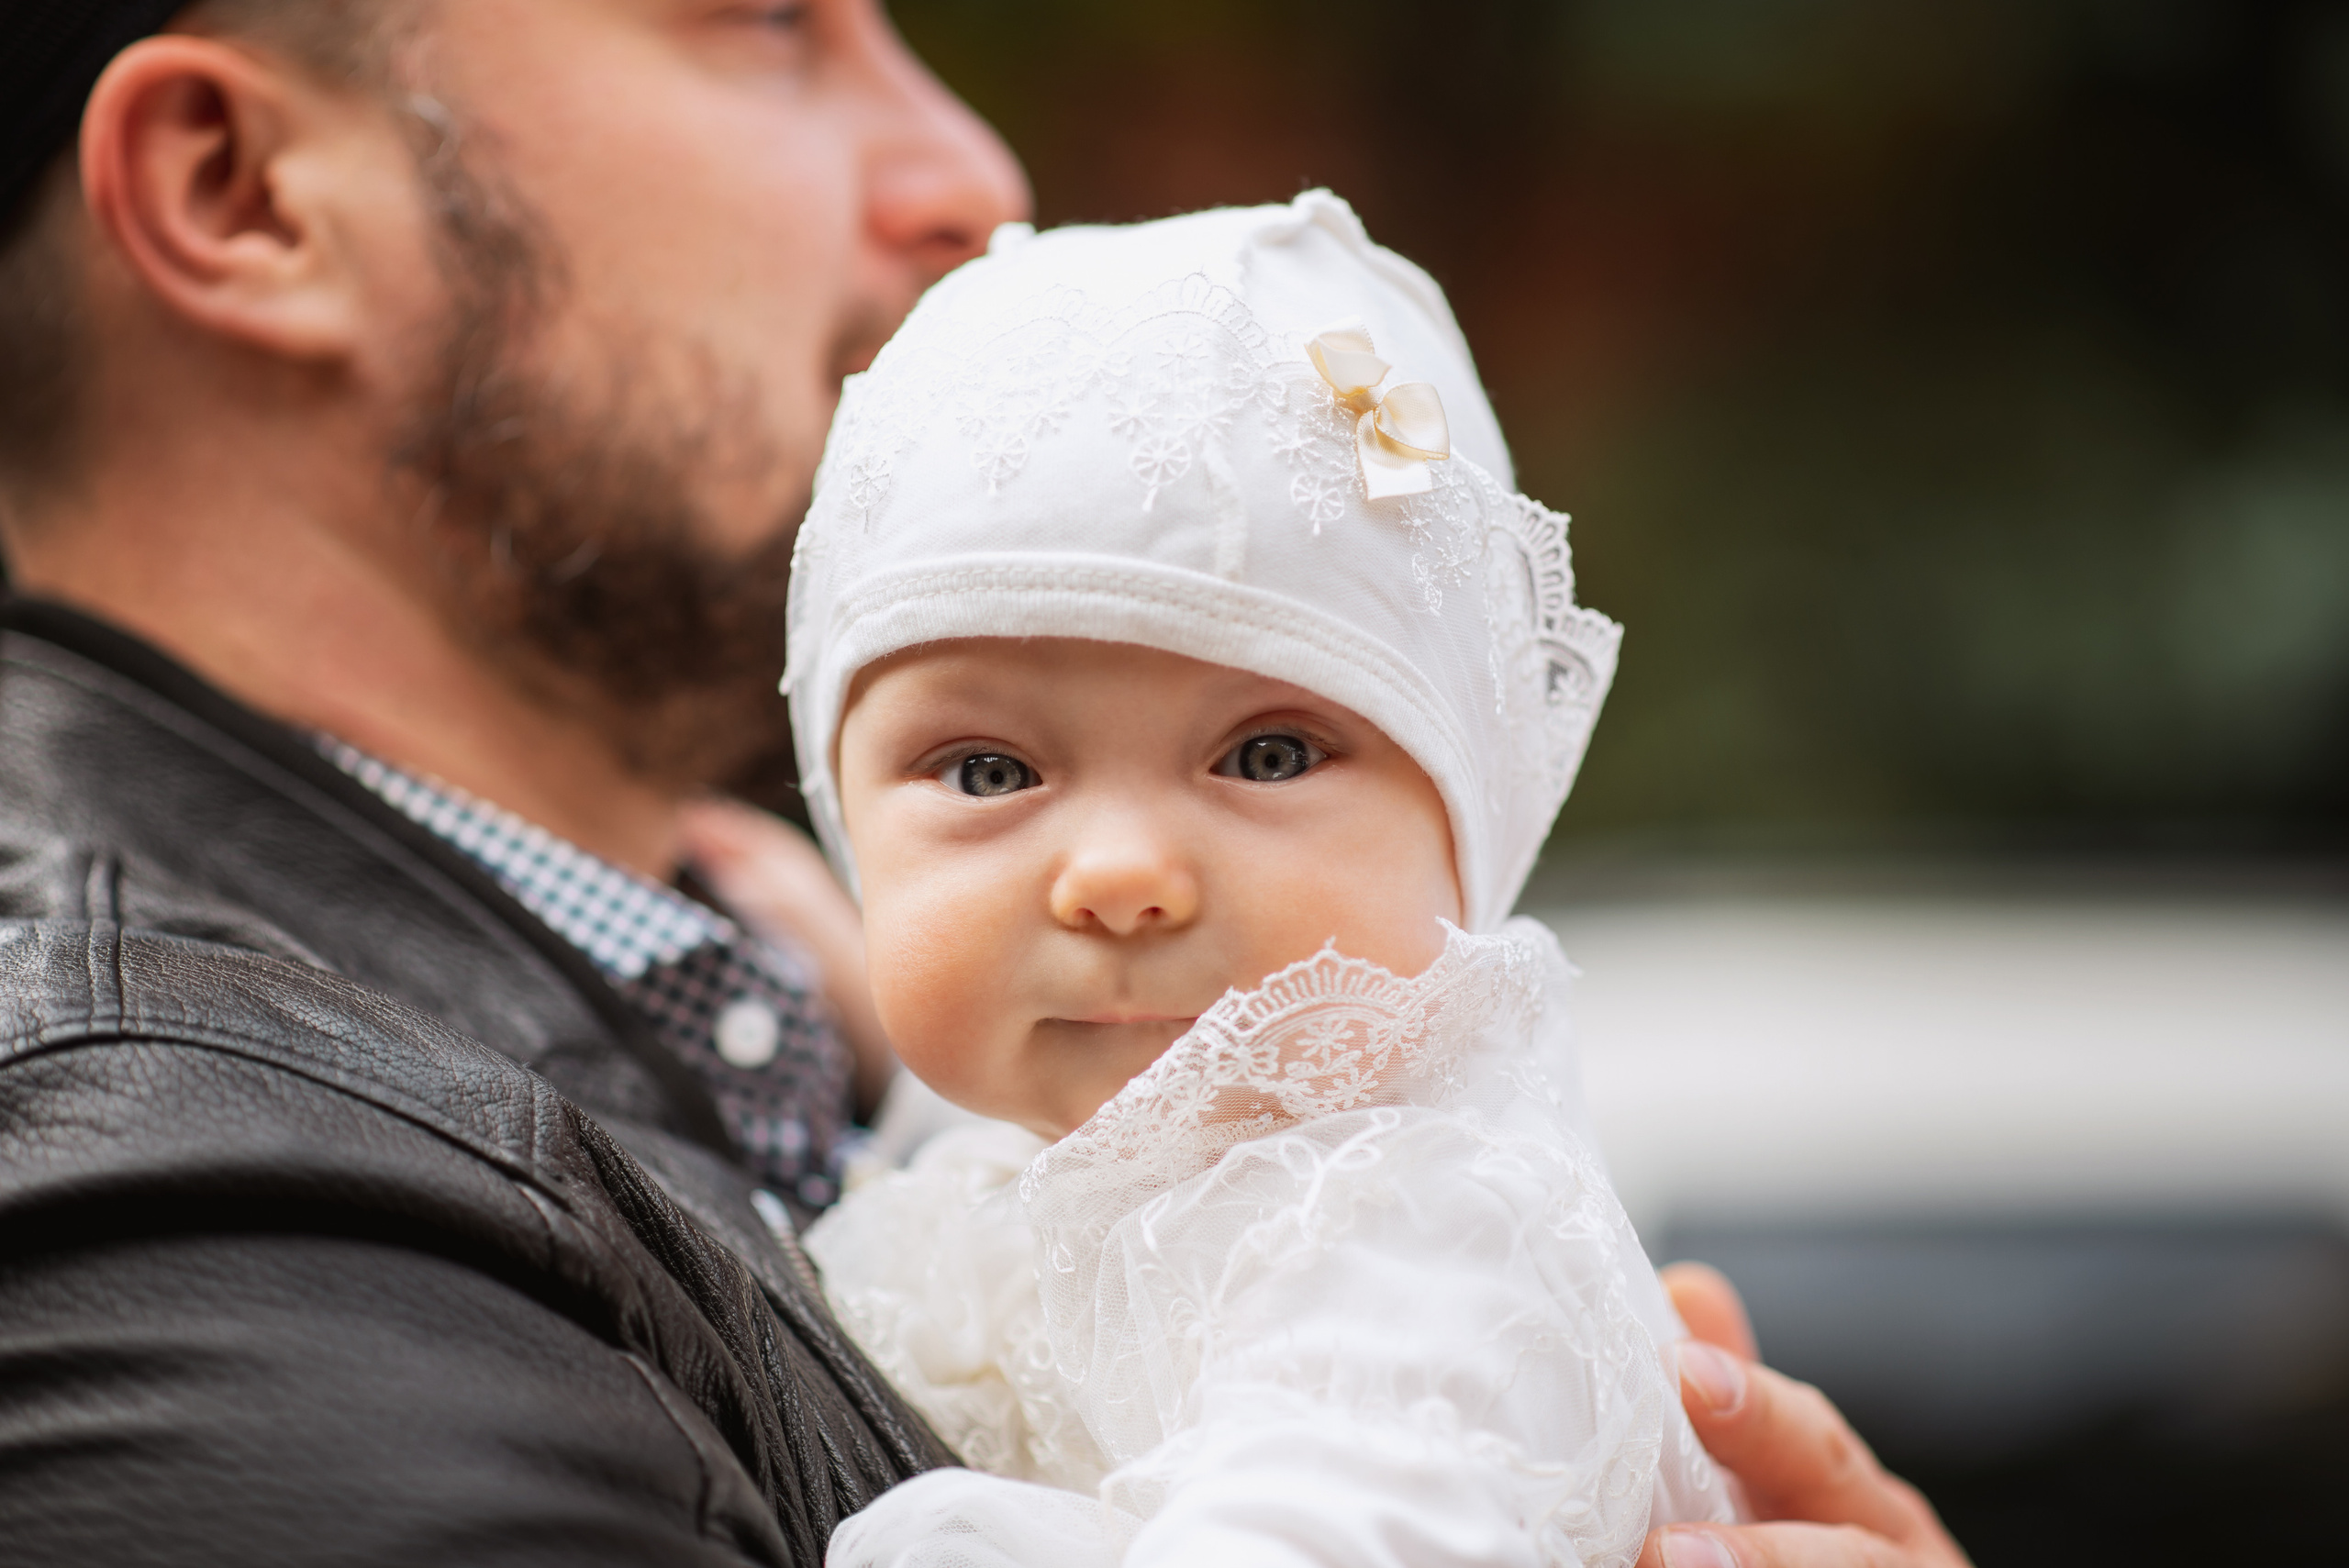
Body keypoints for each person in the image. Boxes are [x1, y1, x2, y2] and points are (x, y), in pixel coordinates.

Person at [0, 5, 1970, 1567]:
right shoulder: (195, 1208)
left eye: (1269, 747)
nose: (972, 169)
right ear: (244, 186)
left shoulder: (758, 1028)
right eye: (766, 19)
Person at [789, 192, 1731, 1566]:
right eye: (988, 773)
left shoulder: (1416, 1231)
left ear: (1474, 819)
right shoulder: (975, 1176)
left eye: (1269, 752)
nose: (1120, 877)